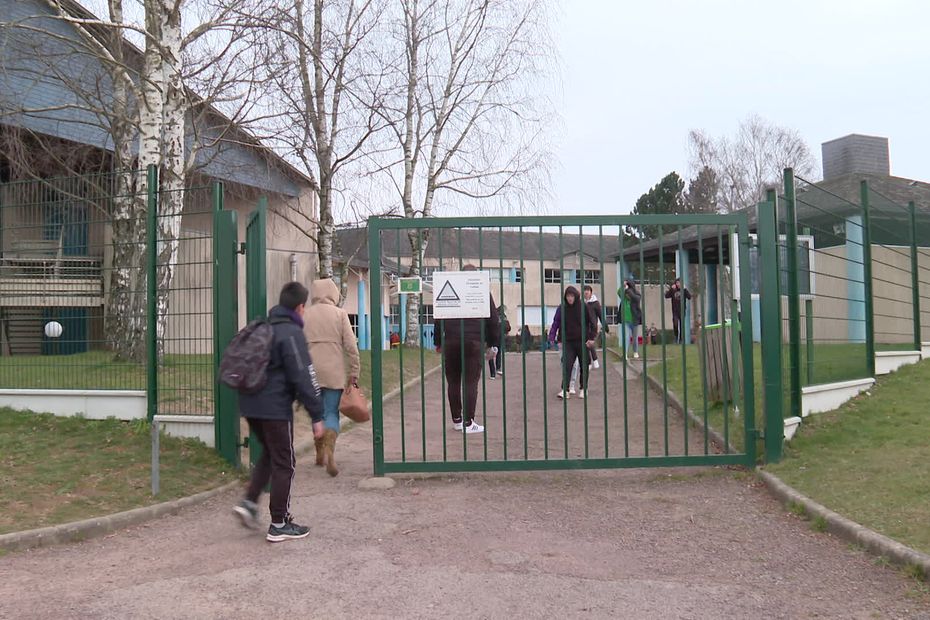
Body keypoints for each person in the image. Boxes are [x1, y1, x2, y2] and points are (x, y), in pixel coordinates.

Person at [233, 282, 324, 543]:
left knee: (271, 455)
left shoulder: (265, 327)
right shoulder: (291, 333)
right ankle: (279, 523)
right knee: (286, 462)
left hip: (250, 404)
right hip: (274, 408)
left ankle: (249, 503)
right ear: (300, 307)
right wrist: (317, 415)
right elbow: (303, 376)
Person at [304, 278, 360, 478]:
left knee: (316, 414)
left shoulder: (305, 315)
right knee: (331, 413)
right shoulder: (340, 314)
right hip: (334, 372)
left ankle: (319, 452)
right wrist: (354, 372)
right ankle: (330, 450)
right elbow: (351, 346)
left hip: (310, 372)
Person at [433, 265, 500, 433]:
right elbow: (493, 320)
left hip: (451, 342)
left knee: (453, 382)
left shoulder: (451, 289)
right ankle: (468, 423)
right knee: (471, 383)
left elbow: (438, 317)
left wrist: (438, 342)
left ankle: (457, 420)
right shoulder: (481, 290)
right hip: (473, 342)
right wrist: (493, 343)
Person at [549, 286, 598, 400]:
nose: (570, 298)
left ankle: (583, 388)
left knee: (583, 366)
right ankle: (565, 390)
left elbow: (593, 323)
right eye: (568, 296)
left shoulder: (584, 307)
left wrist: (591, 338)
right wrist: (552, 336)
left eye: (571, 296)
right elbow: (556, 322)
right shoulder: (562, 308)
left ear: (576, 296)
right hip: (568, 342)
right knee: (567, 365)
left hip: (582, 341)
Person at [582, 285, 610, 370]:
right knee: (585, 345)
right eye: (585, 290)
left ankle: (595, 360)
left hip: (592, 327)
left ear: (591, 292)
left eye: (588, 290)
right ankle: (589, 362)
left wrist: (605, 327)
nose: (586, 292)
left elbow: (601, 315)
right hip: (583, 327)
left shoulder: (595, 303)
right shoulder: (581, 303)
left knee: (590, 344)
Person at [619, 278, 643, 359]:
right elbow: (619, 292)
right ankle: (625, 354)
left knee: (635, 337)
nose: (627, 296)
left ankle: (635, 351)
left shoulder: (636, 295)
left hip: (634, 319)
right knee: (626, 336)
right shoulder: (624, 297)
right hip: (626, 320)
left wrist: (629, 291)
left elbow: (637, 298)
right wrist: (623, 286)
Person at [665, 277, 692, 344]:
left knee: (682, 325)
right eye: (677, 283)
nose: (678, 284)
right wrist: (671, 289)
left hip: (682, 310)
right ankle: (676, 336)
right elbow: (666, 296)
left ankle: (681, 339)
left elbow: (689, 297)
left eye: (680, 283)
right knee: (675, 323)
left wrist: (685, 289)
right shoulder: (673, 290)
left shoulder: (684, 290)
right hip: (675, 311)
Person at [489, 304, 511, 379]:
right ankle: (498, 368)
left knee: (491, 354)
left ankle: (493, 374)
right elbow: (508, 328)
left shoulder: (492, 315)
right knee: (498, 353)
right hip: (499, 337)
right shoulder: (503, 317)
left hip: (492, 337)